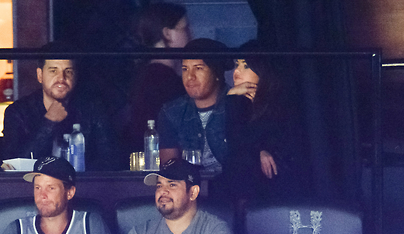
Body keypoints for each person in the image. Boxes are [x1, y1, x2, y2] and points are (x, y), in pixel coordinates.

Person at [2, 41, 119, 171]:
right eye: (53, 71)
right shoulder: (17, 112)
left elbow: (111, 160)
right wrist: (48, 122)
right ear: (40, 75)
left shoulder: (92, 108)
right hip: (32, 187)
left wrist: (72, 176)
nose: (61, 78)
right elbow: (12, 166)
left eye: (68, 71)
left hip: (81, 187)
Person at [223, 39, 303, 206]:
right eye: (237, 65)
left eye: (245, 66)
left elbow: (277, 142)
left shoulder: (283, 104)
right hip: (245, 194)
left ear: (262, 69)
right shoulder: (238, 102)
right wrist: (231, 98)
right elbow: (233, 143)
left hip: (277, 194)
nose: (237, 71)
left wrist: (259, 150)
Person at [121, 3, 191, 157]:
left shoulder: (146, 76)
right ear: (167, 33)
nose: (190, 34)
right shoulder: (164, 81)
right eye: (184, 28)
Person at [157, 38, 235, 173]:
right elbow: (170, 170)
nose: (190, 76)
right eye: (185, 69)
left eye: (198, 68)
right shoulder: (171, 112)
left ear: (216, 73)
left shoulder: (237, 106)